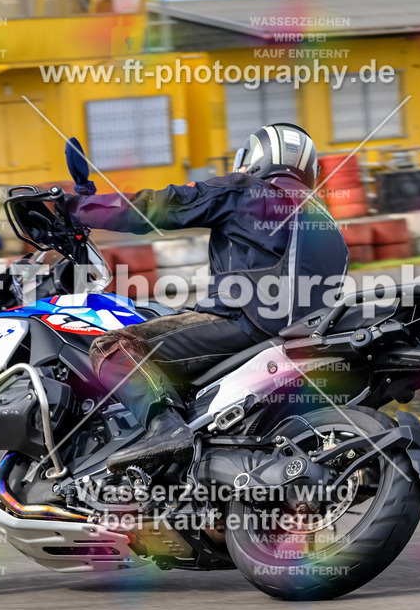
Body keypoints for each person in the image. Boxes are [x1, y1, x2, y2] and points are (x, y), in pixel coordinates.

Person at [57, 124, 350, 472]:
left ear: (257, 157)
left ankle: (163, 429)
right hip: (306, 337)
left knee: (112, 346)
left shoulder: (245, 191)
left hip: (244, 324)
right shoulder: (329, 222)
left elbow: (159, 206)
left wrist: (80, 207)